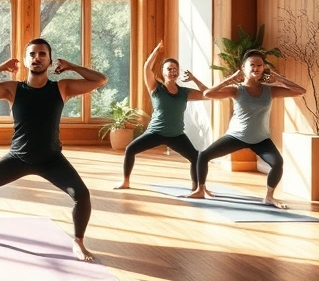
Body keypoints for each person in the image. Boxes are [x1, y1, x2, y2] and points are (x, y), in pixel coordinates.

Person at [0, 38, 107, 261]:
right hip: (18, 157)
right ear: (26, 60)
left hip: (51, 159)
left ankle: (78, 242)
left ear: (49, 61)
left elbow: (100, 79)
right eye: (32, 55)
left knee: (82, 195)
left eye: (42, 54)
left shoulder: (62, 87)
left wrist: (72, 66)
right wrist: (1, 68)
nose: (36, 58)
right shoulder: (13, 89)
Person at [186, 50, 306, 208]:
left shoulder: (270, 90)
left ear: (264, 68)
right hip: (236, 136)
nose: (256, 68)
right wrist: (229, 79)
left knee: (278, 162)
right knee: (204, 155)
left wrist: (279, 79)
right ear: (243, 68)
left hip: (261, 138)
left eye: (260, 65)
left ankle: (269, 197)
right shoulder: (236, 90)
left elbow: (301, 91)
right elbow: (208, 94)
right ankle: (201, 189)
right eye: (252, 65)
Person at [114, 39, 208, 190]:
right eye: (169, 69)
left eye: (175, 69)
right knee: (130, 149)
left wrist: (194, 79)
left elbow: (206, 94)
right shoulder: (156, 88)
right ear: (163, 72)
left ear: (178, 72)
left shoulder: (184, 92)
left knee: (196, 157)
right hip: (155, 132)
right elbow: (146, 68)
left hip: (176, 135)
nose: (172, 71)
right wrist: (156, 52)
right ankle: (125, 181)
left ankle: (196, 188)